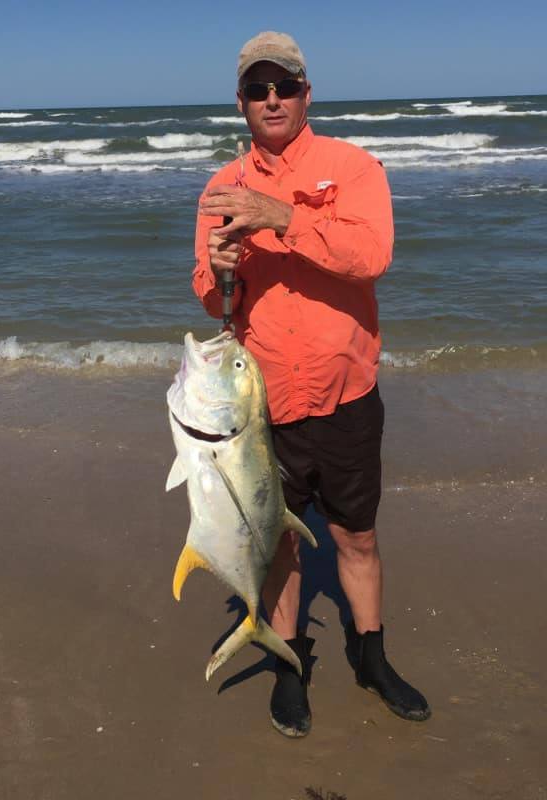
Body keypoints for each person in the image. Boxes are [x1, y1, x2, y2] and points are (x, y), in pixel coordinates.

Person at [192, 31, 430, 737]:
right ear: (241, 103)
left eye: (284, 86)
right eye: (258, 89)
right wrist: (223, 268)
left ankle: (372, 655)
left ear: (306, 94)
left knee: (356, 536)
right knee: (279, 542)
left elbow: (372, 255)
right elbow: (212, 299)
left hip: (345, 394)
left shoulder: (352, 167)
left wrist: (284, 217)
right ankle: (290, 662)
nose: (272, 99)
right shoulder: (218, 188)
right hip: (259, 406)